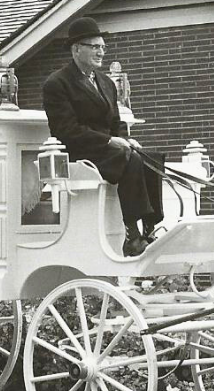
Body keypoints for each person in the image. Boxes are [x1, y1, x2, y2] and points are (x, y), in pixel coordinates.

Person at [42, 17, 164, 257]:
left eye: (103, 47)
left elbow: (116, 122)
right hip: (81, 151)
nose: (101, 52)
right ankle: (131, 232)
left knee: (150, 157)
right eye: (95, 47)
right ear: (76, 49)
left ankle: (150, 225)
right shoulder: (57, 83)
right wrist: (109, 141)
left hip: (109, 150)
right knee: (130, 159)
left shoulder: (106, 83)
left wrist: (124, 139)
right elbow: (65, 129)